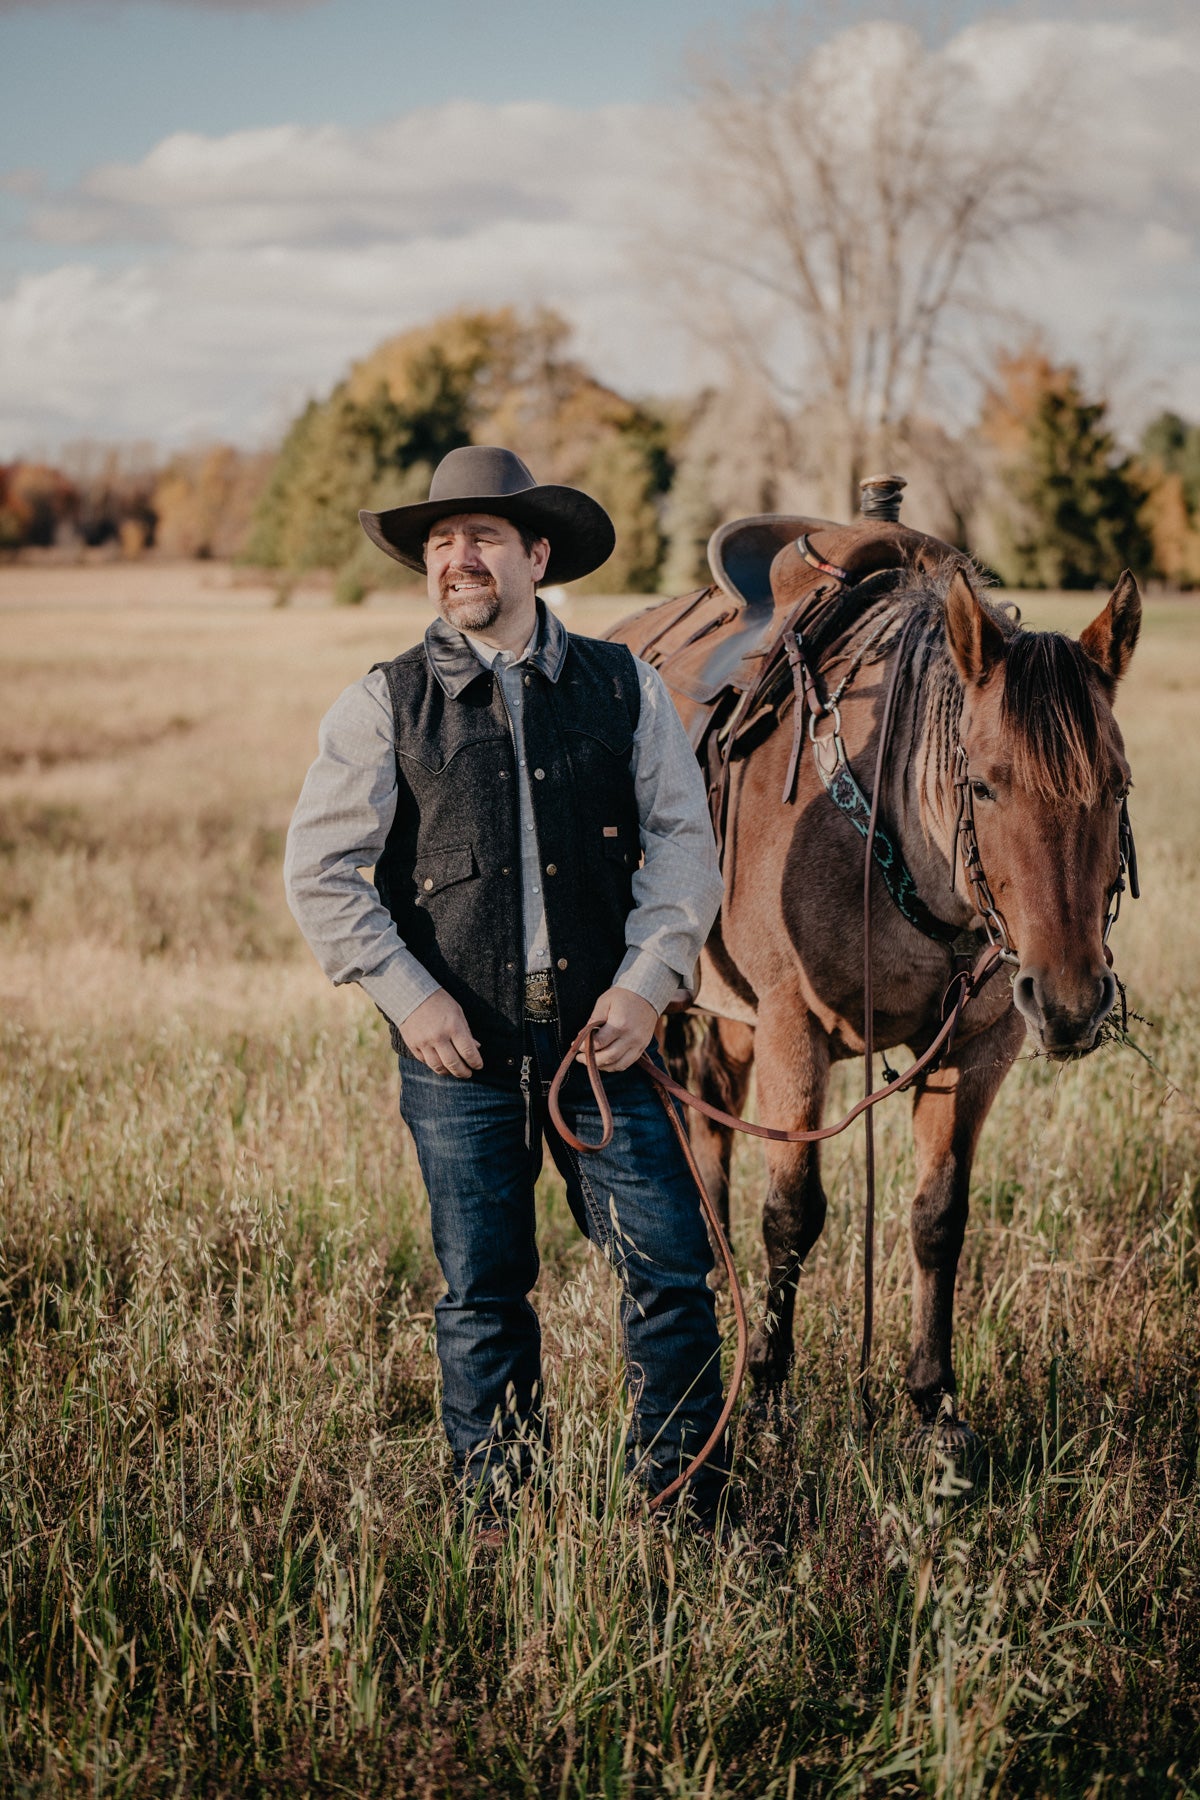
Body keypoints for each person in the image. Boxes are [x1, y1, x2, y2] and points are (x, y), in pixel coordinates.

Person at [284, 445, 727, 1533]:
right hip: (460, 1056)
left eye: (481, 536)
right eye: (439, 542)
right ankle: (500, 1514)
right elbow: (323, 874)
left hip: (605, 1045)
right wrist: (408, 994)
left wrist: (648, 982)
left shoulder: (624, 688)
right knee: (483, 1296)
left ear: (536, 555)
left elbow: (681, 842)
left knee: (672, 1276)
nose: (457, 558)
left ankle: (676, 1504)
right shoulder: (381, 703)